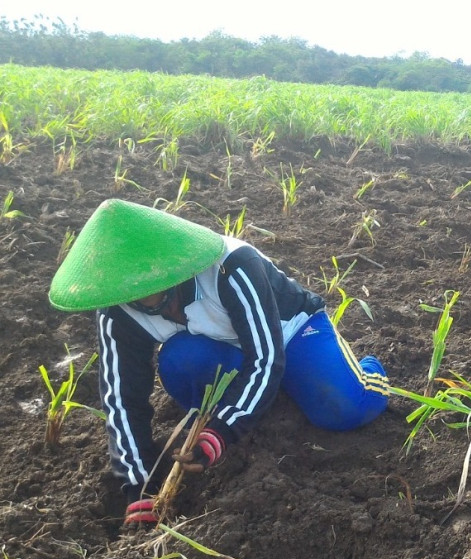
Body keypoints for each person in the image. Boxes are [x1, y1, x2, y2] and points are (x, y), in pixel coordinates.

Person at [48, 200, 390, 526]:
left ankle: (365, 373)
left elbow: (267, 356)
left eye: (149, 289)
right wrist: (139, 486)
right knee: (181, 360)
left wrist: (224, 430)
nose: (138, 299)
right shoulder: (116, 308)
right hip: (220, 350)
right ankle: (261, 402)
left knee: (344, 407)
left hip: (290, 333)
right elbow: (121, 399)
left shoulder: (231, 266)